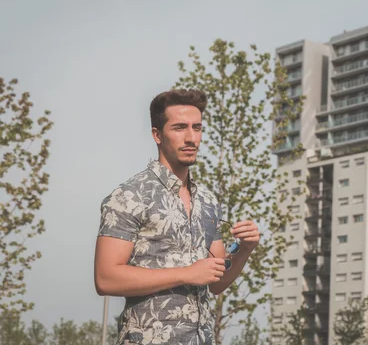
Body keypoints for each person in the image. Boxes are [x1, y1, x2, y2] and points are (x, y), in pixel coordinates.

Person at [94, 89, 260, 344]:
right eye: (180, 128)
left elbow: (216, 282)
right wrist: (186, 273)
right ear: (157, 135)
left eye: (197, 127)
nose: (191, 138)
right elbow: (106, 278)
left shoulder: (207, 201)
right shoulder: (129, 195)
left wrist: (244, 250)